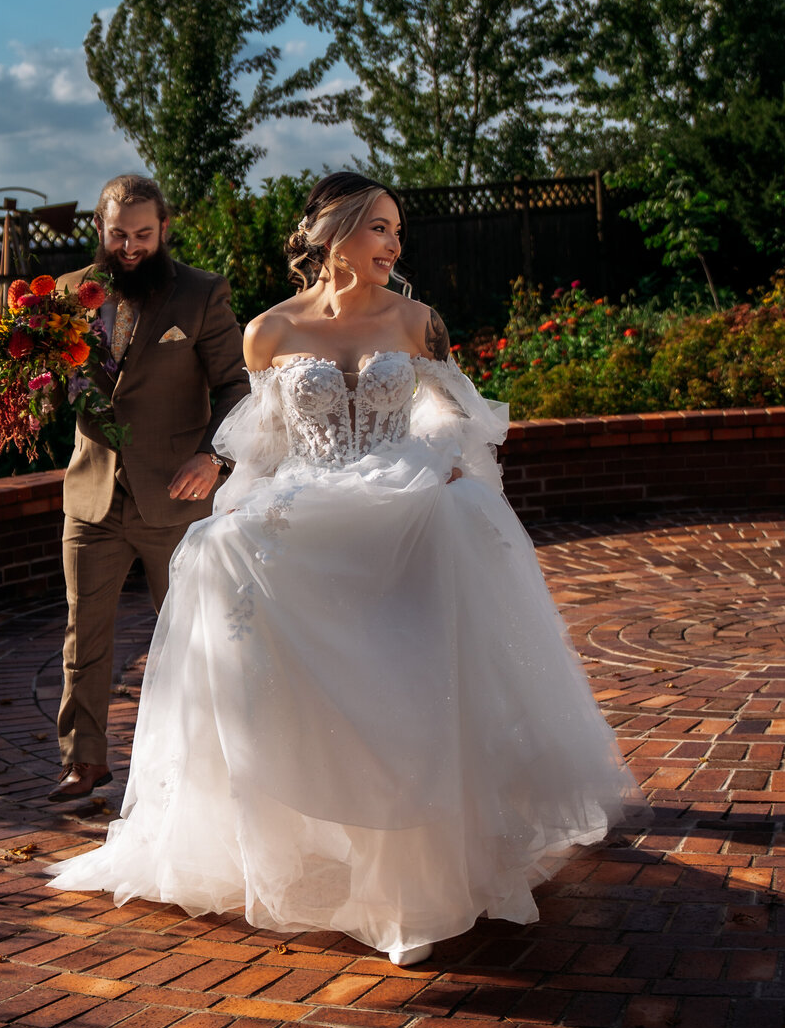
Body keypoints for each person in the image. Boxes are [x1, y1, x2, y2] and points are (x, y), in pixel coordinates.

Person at [48, 171, 646, 963]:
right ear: (333, 234)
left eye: (397, 232)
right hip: (315, 510)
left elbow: (454, 417)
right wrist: (244, 503)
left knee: (409, 684)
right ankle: (309, 835)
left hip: (404, 513)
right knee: (226, 557)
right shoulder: (268, 331)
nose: (394, 246)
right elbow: (264, 444)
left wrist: (442, 464)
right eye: (380, 230)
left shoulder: (418, 321)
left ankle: (415, 879)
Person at [49, 173, 248, 803]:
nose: (130, 247)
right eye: (117, 234)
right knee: (85, 635)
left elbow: (235, 387)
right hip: (92, 497)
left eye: (142, 233)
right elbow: (55, 383)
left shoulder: (201, 294)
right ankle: (84, 762)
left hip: (177, 496)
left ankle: (201, 765)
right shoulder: (60, 296)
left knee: (191, 636)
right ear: (101, 232)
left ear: (164, 228)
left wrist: (213, 457)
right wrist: (28, 392)